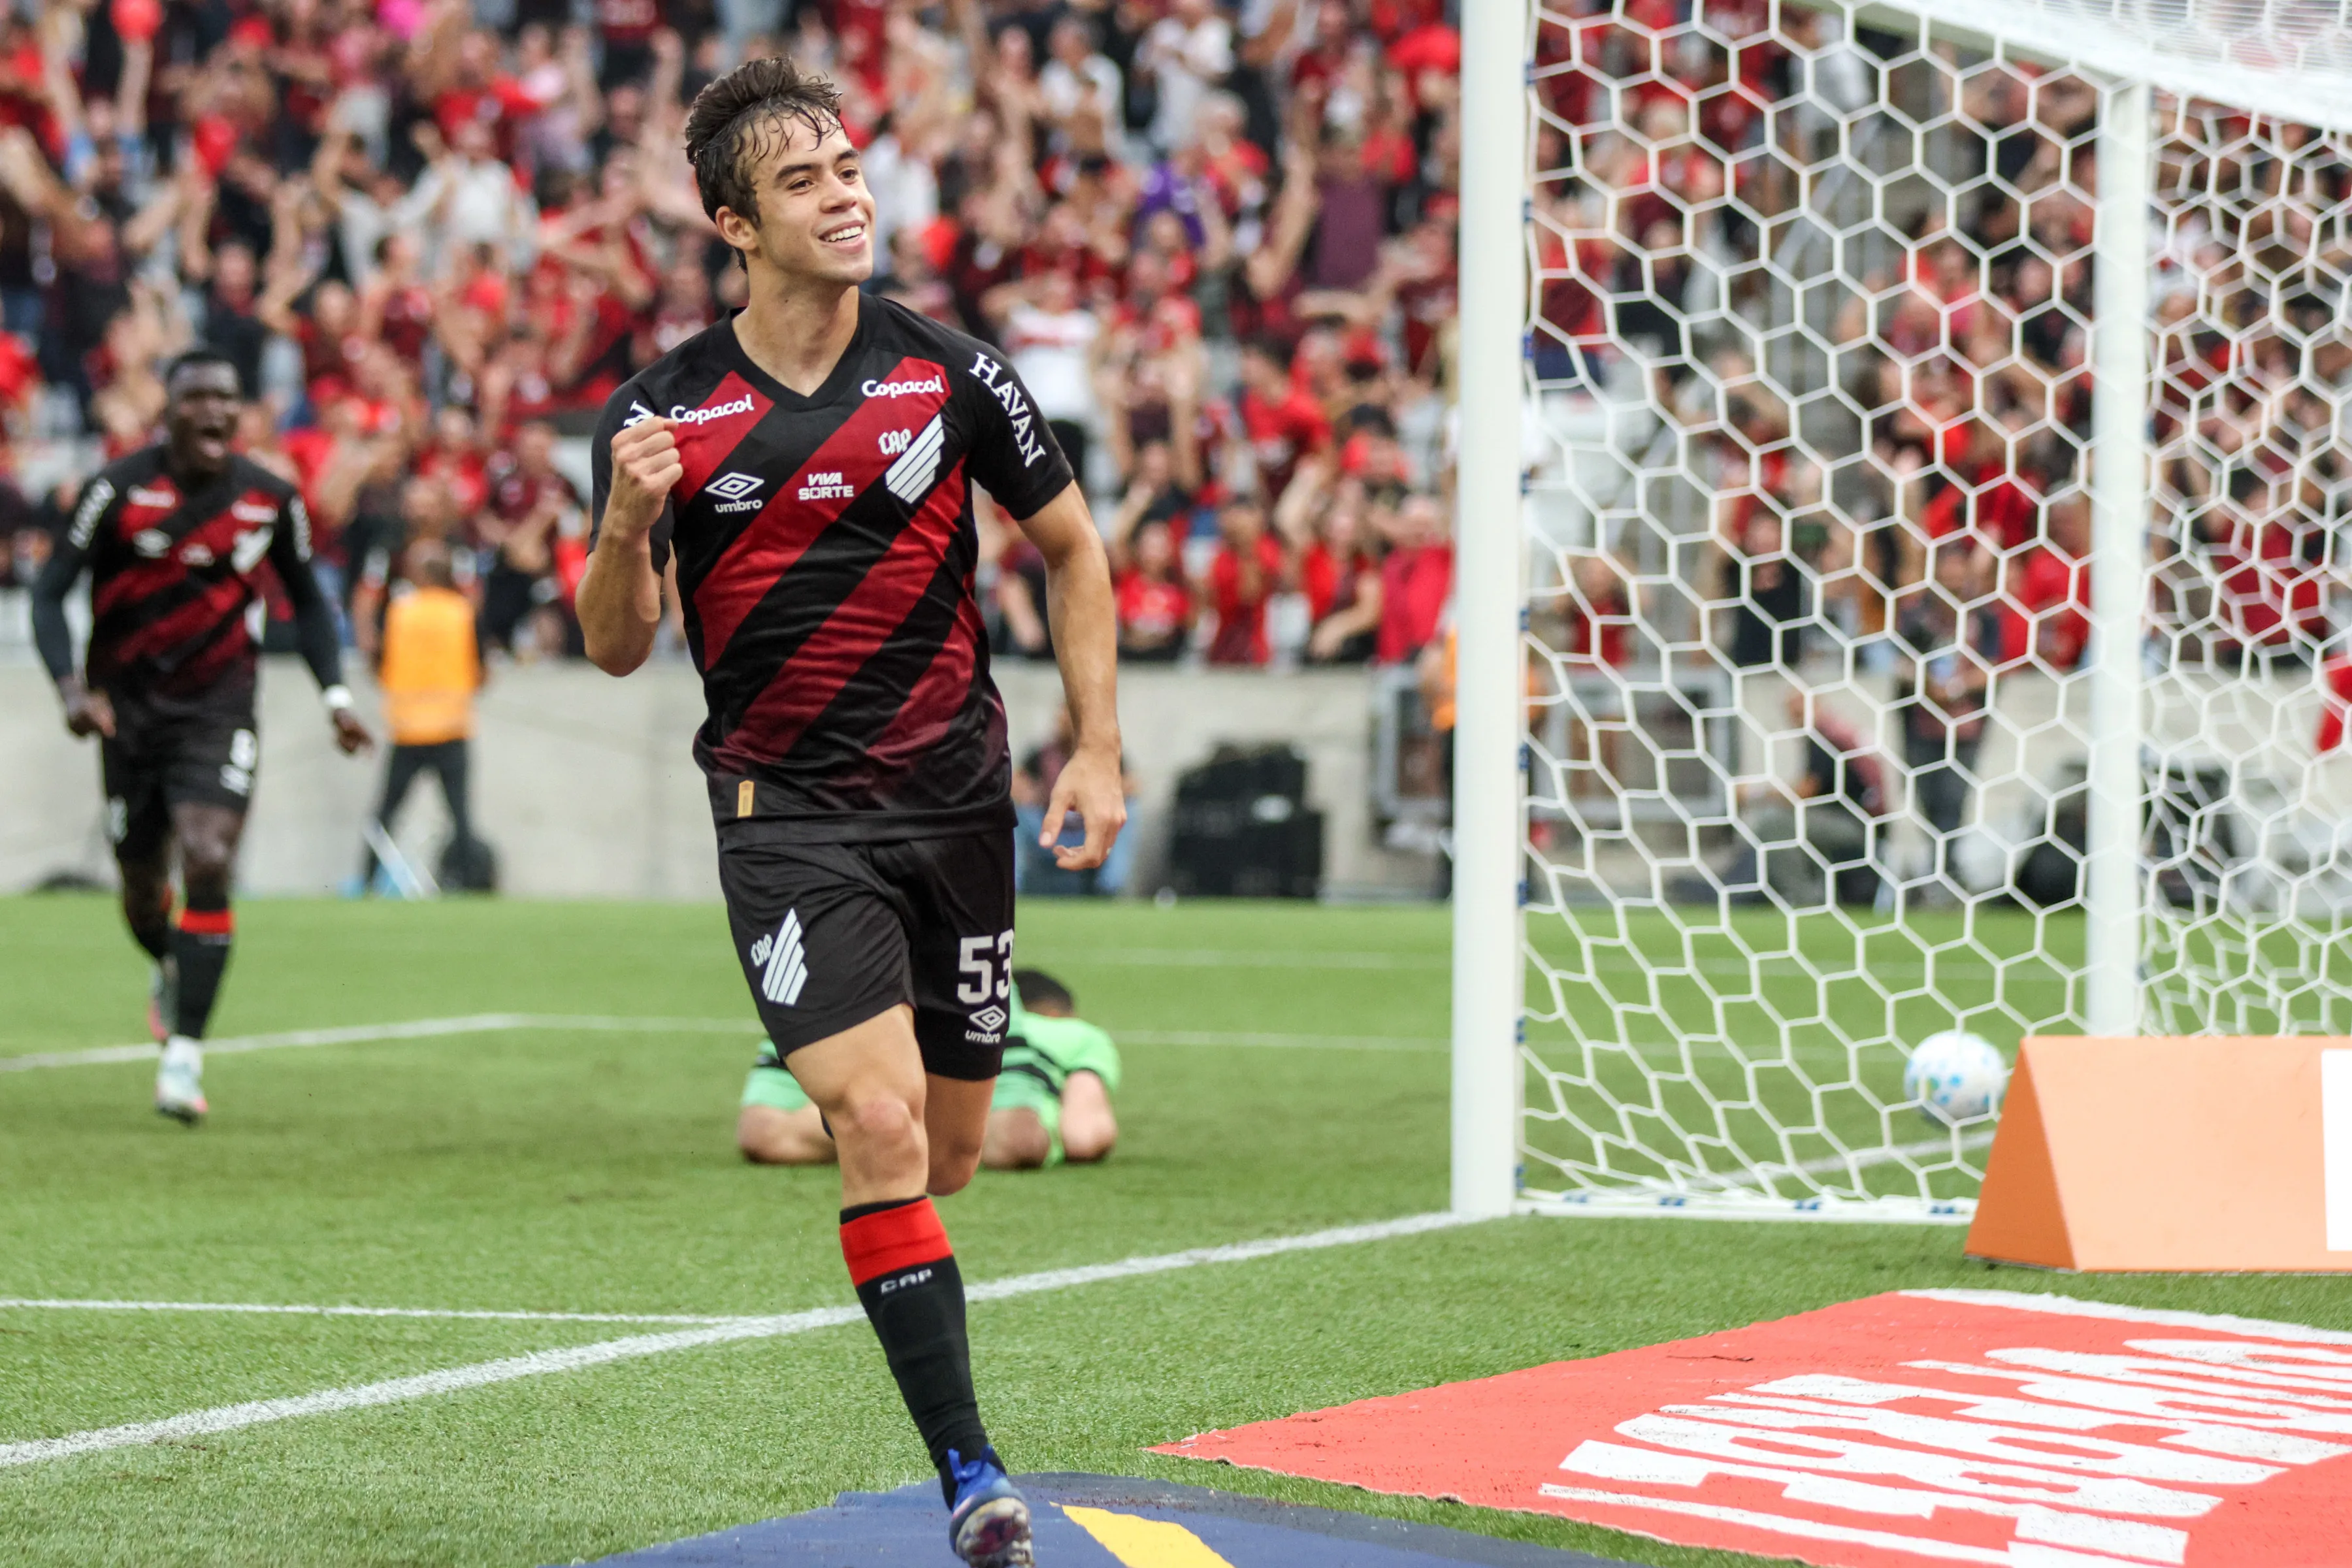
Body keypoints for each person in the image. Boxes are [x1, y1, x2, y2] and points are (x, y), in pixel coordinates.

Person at [573, 59, 1123, 1568]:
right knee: (873, 1126)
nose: (849, 193)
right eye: (807, 178)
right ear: (731, 219)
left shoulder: (948, 370)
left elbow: (1073, 552)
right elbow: (614, 641)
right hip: (786, 818)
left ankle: (980, 1124)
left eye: (851, 167)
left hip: (959, 803)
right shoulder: (664, 410)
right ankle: (974, 1477)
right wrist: (626, 522)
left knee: (944, 1155)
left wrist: (1097, 748)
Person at [29, 348, 372, 1122]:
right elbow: (49, 597)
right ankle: (169, 965)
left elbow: (310, 604)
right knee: (144, 889)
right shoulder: (116, 490)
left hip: (218, 707)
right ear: (170, 410)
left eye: (228, 398)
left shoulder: (270, 499)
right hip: (126, 713)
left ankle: (184, 1058)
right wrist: (72, 691)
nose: (215, 410)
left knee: (209, 857)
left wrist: (338, 697)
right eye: (197, 398)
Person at [738, 968, 1121, 1169]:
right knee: (1018, 1142)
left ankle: (885, 1126)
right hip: (983, 1100)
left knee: (768, 1131)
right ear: (1056, 1012)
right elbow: (1087, 1134)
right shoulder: (1077, 1035)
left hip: (878, 1043)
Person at [357, 540, 487, 894]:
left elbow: (378, 660)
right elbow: (481, 669)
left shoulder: (399, 610)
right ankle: (469, 883)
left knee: (385, 814)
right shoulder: (463, 611)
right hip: (452, 726)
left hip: (408, 728)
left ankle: (366, 880)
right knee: (460, 816)